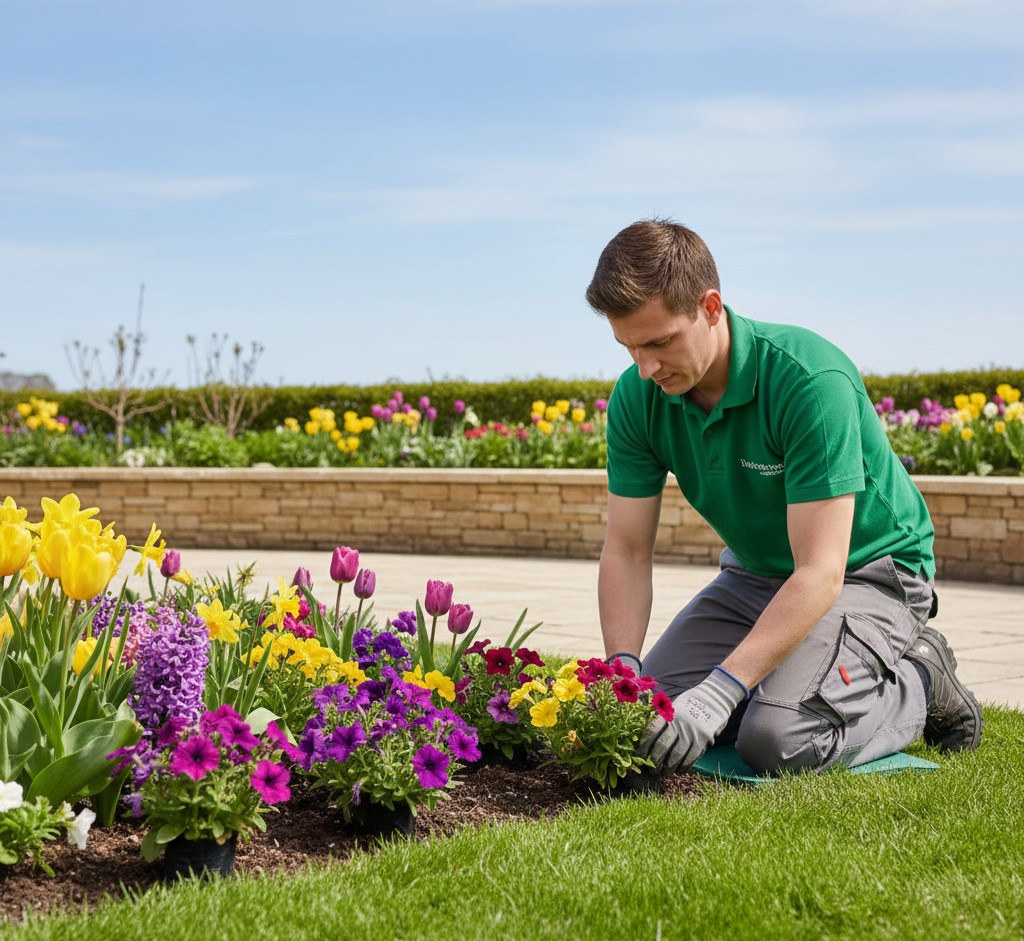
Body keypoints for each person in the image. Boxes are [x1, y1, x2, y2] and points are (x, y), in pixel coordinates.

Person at [585, 218, 983, 775]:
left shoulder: (807, 379)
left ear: (711, 307)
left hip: (869, 573)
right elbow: (627, 550)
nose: (646, 368)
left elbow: (821, 571)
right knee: (654, 718)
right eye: (629, 347)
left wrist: (724, 688)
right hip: (754, 577)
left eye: (659, 342)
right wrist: (623, 672)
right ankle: (788, 678)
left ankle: (919, 678)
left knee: (778, 740)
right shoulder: (637, 397)